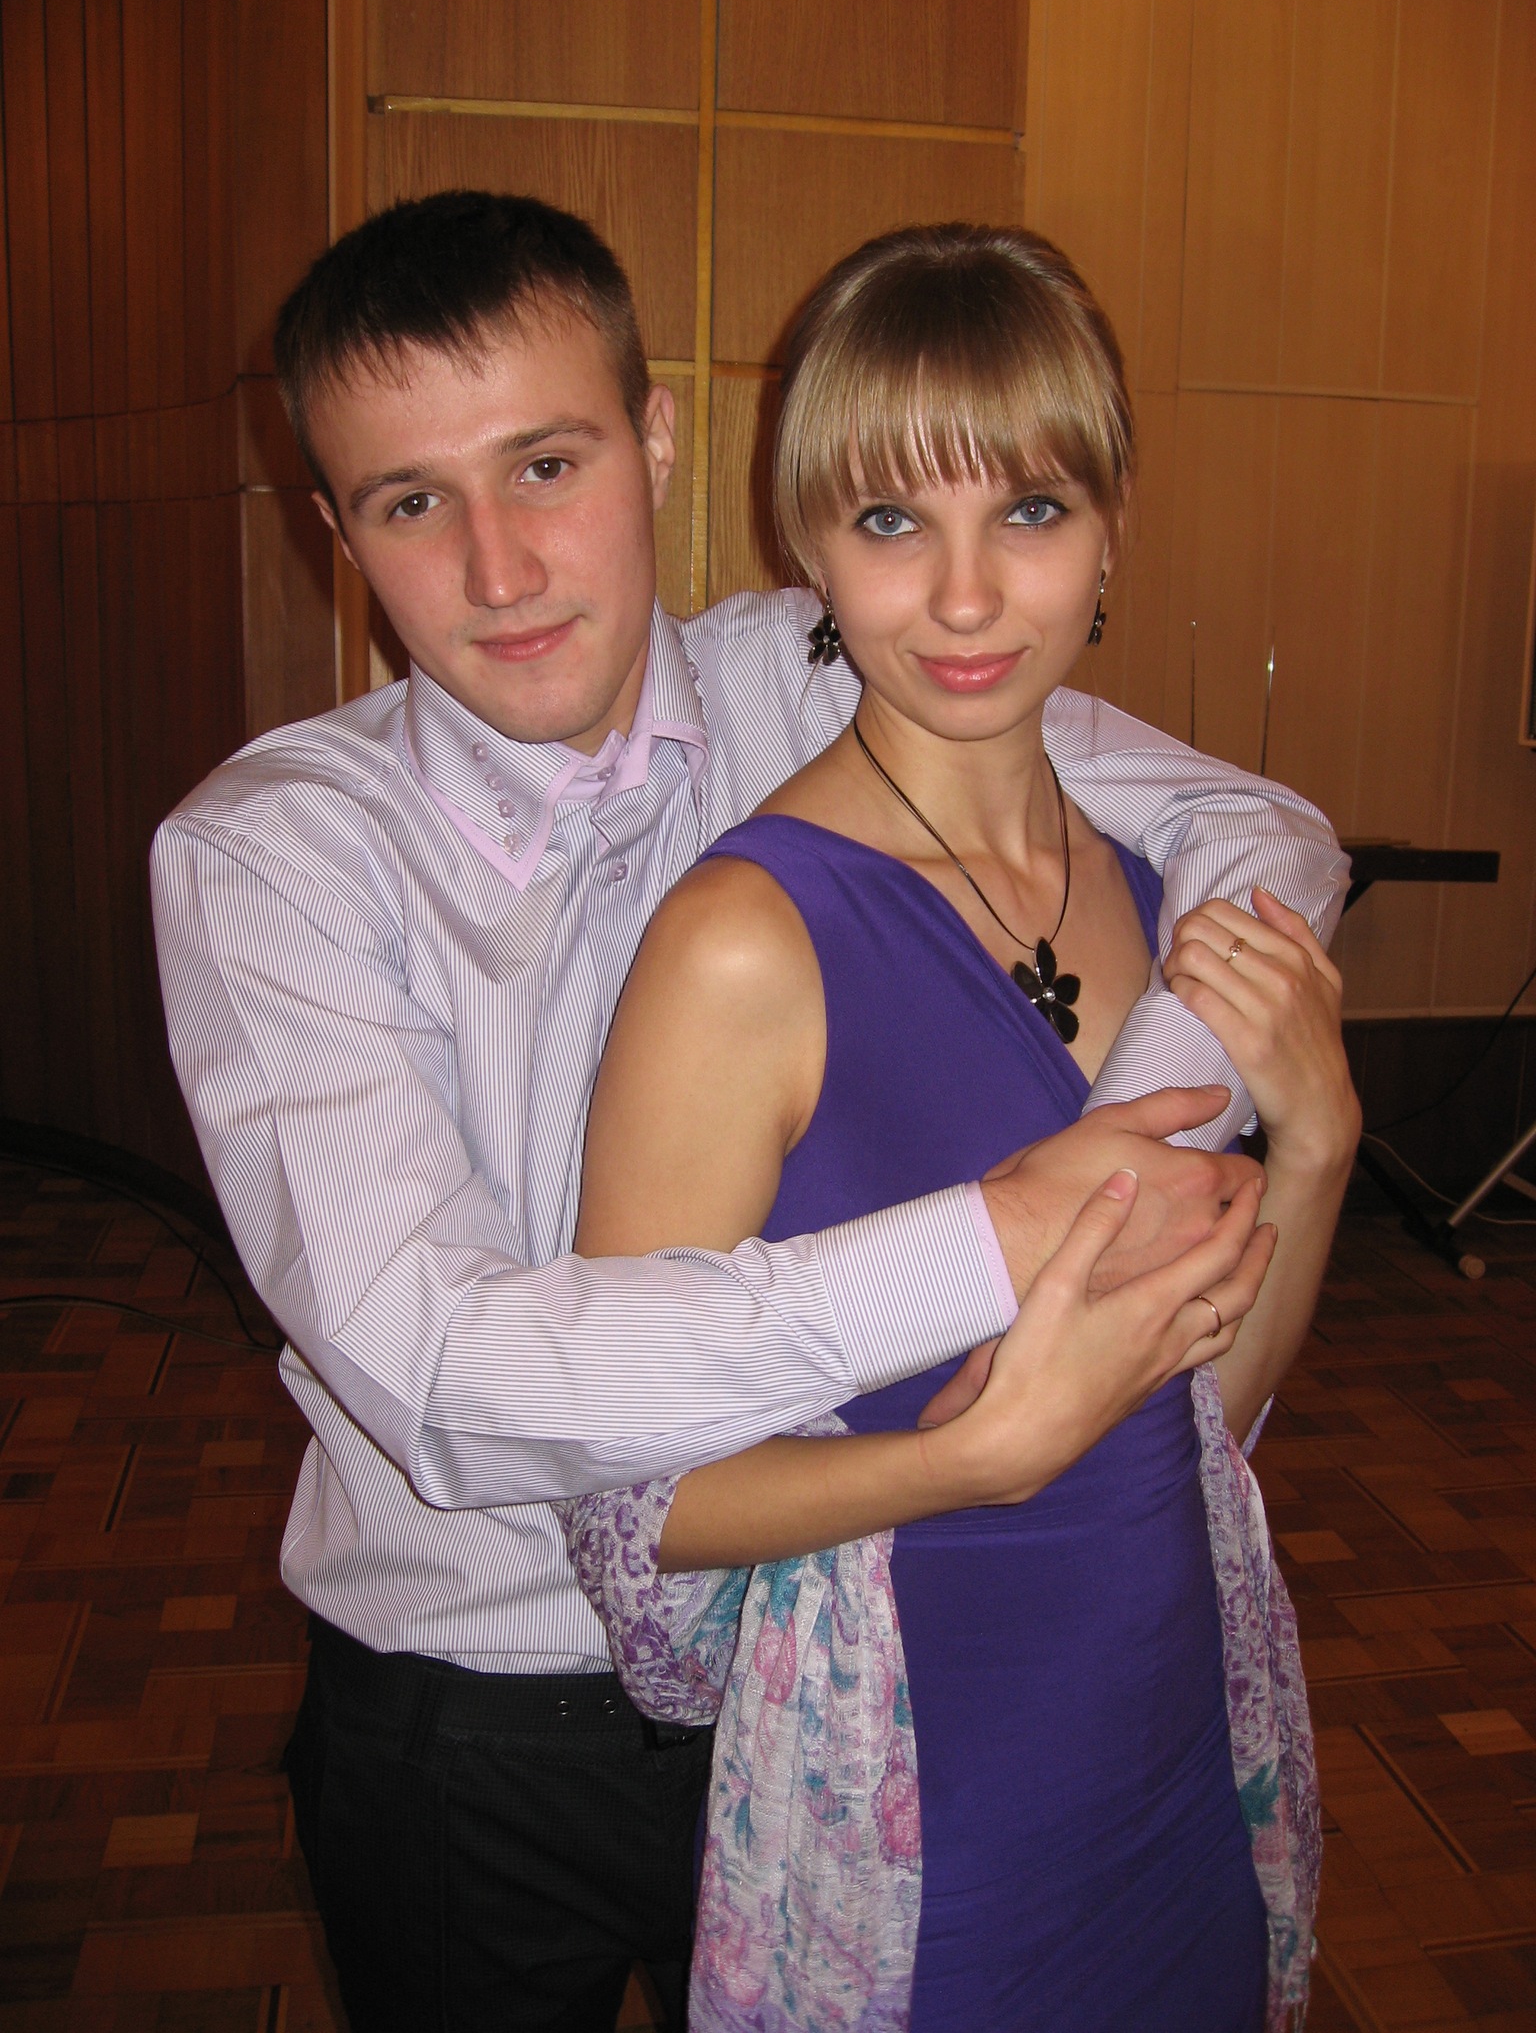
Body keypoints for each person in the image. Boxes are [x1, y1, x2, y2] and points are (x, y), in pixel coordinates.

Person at [149, 192, 1347, 2032]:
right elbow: (456, 1386)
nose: (499, 567)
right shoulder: (275, 855)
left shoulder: (823, 662)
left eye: (547, 465)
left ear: (656, 443)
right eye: (410, 503)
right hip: (482, 1715)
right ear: (336, 533)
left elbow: (1248, 826)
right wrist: (1010, 1243)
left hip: (847, 1669)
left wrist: (1191, 1122)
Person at [567, 224, 1359, 2030]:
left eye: (1031, 510)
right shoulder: (745, 942)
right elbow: (631, 1509)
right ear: (807, 546)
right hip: (925, 1817)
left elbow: (1201, 1419)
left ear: (1114, 528)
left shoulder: (1159, 900)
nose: (970, 596)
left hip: (1173, 1740)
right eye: (892, 521)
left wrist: (1315, 1151)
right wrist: (969, 1460)